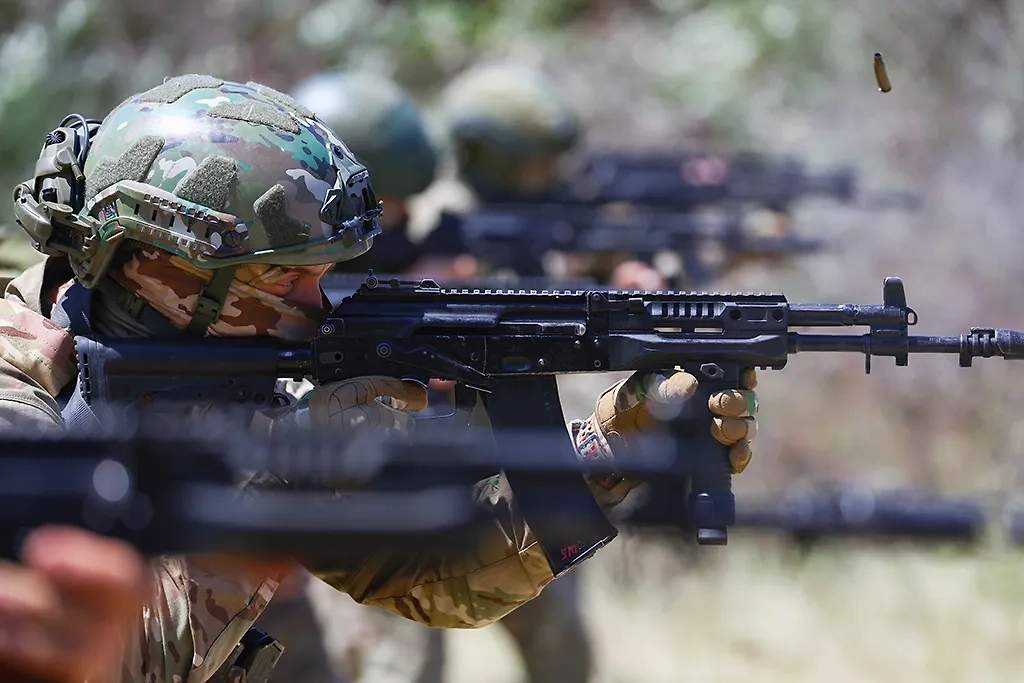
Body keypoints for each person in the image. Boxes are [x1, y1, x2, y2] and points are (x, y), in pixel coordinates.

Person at [0, 74, 759, 683]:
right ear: (162, 270)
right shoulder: (18, 405)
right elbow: (106, 656)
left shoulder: (228, 378)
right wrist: (276, 470)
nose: (320, 306)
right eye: (289, 279)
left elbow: (432, 579)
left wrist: (616, 442)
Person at [410, 62, 665, 290]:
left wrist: (610, 281)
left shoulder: (563, 210)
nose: (548, 173)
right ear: (480, 153)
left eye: (551, 160)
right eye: (533, 162)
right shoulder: (435, 219)